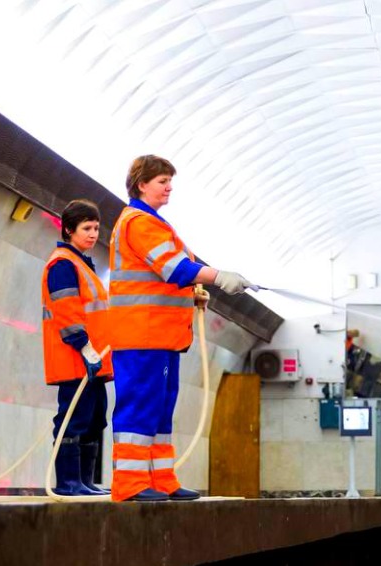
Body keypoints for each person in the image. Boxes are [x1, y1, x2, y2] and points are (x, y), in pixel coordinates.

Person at [108, 155, 253, 502]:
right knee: (140, 405)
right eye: (162, 181)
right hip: (142, 334)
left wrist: (196, 291)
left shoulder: (156, 224)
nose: (169, 187)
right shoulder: (140, 223)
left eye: (170, 181)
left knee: (160, 408)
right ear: (141, 184)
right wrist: (218, 277)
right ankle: (129, 484)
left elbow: (177, 273)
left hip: (161, 337)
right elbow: (174, 269)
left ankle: (160, 479)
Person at [40, 199, 114, 496]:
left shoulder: (84, 264)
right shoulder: (63, 264)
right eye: (86, 228)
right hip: (75, 360)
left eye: (96, 228)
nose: (93, 234)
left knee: (95, 418)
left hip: (93, 361)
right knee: (73, 418)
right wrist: (85, 348)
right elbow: (67, 312)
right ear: (69, 229)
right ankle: (69, 482)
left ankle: (85, 480)